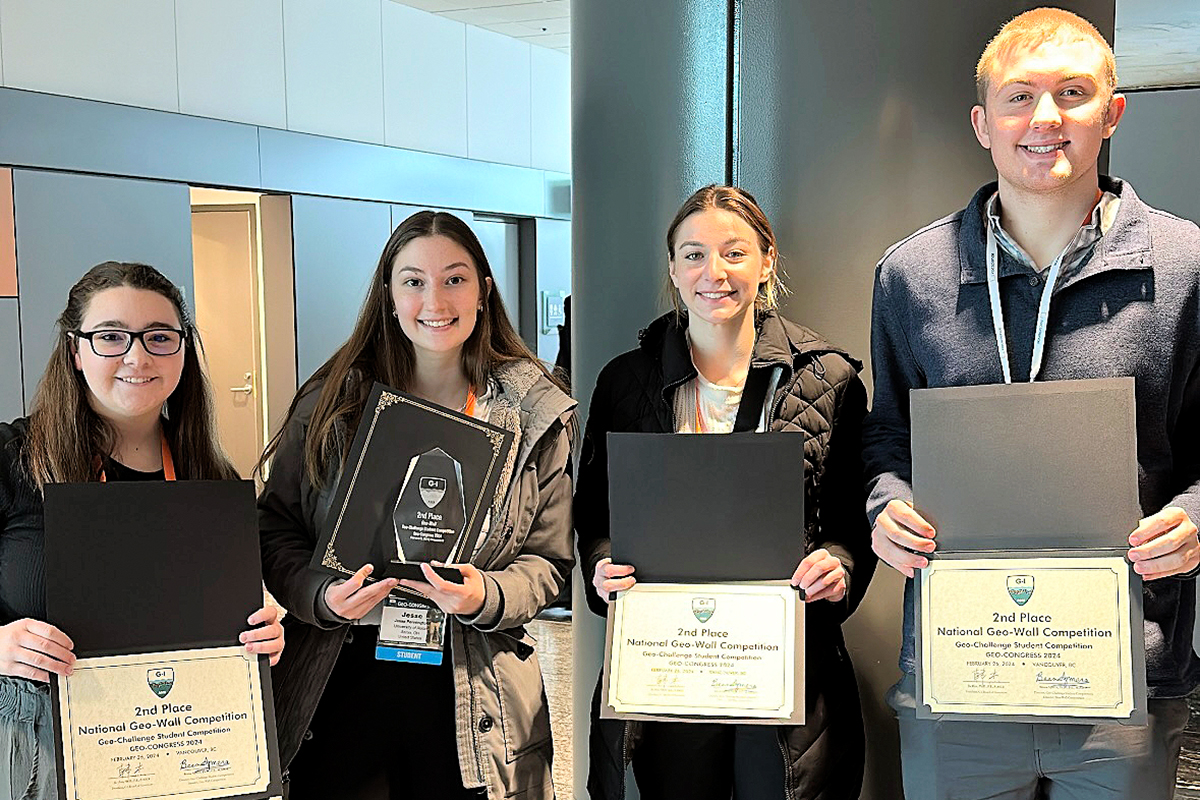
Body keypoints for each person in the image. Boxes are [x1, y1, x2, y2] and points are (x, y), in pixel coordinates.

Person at [863, 9, 1200, 799]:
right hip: (962, 669)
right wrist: (887, 505)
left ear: (1111, 113)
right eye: (1019, 98)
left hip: (1125, 675)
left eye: (1072, 94)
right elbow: (888, 435)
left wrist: (1197, 520)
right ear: (983, 123)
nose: (1044, 120)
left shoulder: (1187, 268)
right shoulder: (911, 274)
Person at [258, 210, 575, 799]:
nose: (435, 299)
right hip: (343, 673)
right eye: (413, 281)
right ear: (388, 294)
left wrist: (486, 595)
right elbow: (275, 528)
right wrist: (322, 596)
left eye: (454, 278)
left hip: (474, 688)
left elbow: (550, 562)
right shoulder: (333, 402)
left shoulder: (534, 414)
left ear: (484, 288)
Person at [576, 185, 874, 800]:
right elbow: (594, 515)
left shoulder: (828, 379)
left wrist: (839, 566)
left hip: (786, 669)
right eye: (693, 255)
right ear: (673, 270)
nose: (713, 273)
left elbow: (853, 520)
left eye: (734, 253)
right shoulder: (624, 382)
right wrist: (602, 565)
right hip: (669, 665)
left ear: (767, 261)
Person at [0, 261, 285, 800]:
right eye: (111, 337)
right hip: (33, 758)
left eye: (159, 337)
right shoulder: (11, 458)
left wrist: (262, 631)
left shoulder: (211, 477)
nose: (137, 356)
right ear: (74, 351)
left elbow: (222, 618)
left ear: (183, 349)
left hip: (181, 752)